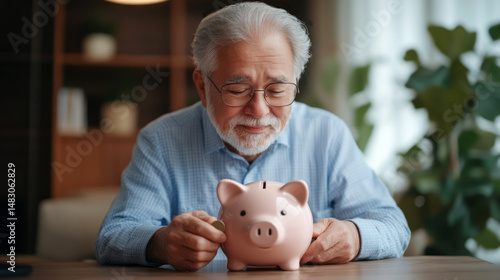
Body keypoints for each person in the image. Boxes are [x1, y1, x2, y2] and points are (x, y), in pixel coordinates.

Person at [96, 2, 410, 271]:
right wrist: (161, 244)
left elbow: (393, 227)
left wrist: (354, 236)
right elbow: (113, 236)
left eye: (277, 90)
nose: (259, 110)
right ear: (203, 87)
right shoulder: (162, 140)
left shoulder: (326, 134)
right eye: (237, 90)